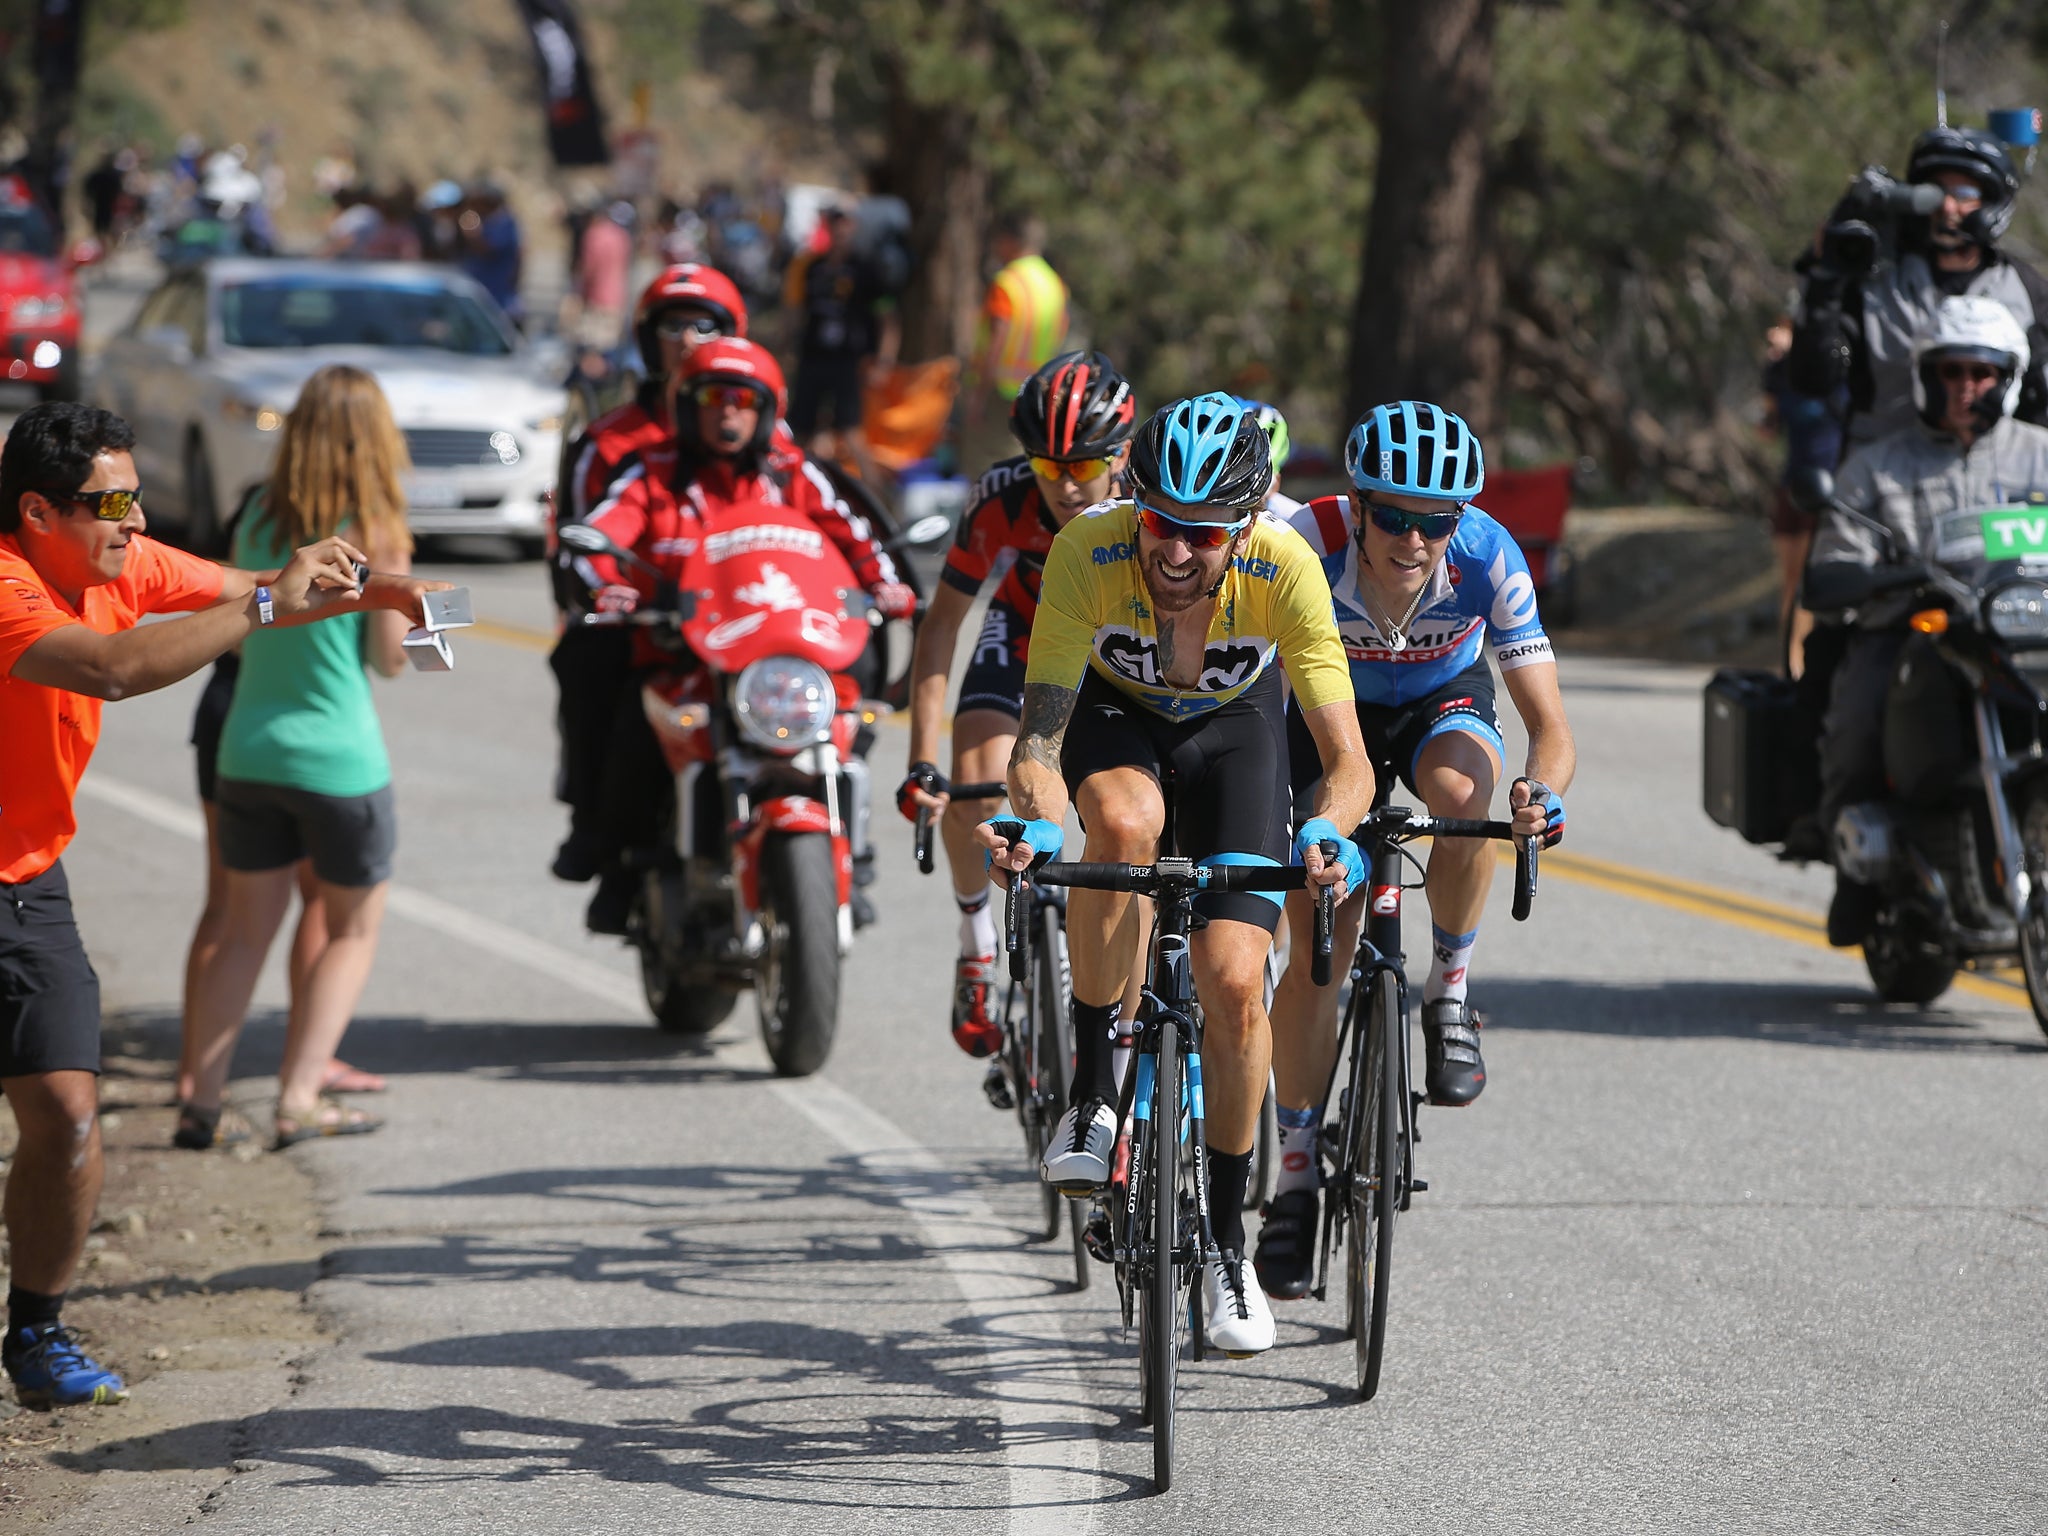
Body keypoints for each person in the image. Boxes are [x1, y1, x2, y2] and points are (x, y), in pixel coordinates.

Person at [0, 402, 439, 1408]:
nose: (135, 521)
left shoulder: (123, 564)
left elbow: (258, 589)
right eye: (110, 503)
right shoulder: (9, 588)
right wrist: (269, 606)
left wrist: (392, 592)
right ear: (36, 512)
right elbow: (114, 671)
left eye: (136, 497)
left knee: (68, 1116)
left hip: (28, 880)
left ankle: (35, 1333)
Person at [981, 393, 1372, 1357]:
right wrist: (1031, 819)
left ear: (1246, 522)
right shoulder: (1090, 551)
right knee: (1122, 822)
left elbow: (1348, 760)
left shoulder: (1287, 569)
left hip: (1237, 737)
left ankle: (1233, 1246)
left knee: (1238, 982)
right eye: (1160, 521)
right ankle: (1092, 1089)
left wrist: (1331, 830)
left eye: (1203, 534)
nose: (1175, 551)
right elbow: (1038, 742)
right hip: (1117, 724)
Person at [1250, 400, 1574, 1303]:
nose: (1413, 538)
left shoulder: (1488, 556)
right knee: (1326, 917)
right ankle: (1297, 1168)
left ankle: (1452, 990)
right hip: (1331, 712)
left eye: (1435, 521)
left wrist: (1540, 794)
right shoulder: (1299, 542)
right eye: (1392, 515)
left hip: (1440, 700)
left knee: (1473, 797)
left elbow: (1552, 728)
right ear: (1355, 506)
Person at [573, 337, 916, 934]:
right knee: (632, 730)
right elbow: (599, 536)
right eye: (712, 399)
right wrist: (606, 584)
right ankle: (624, 868)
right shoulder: (651, 475)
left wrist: (886, 585)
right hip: (683, 659)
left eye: (742, 400)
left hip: (787, 657)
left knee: (852, 720)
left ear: (765, 410)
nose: (727, 413)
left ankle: (852, 860)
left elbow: (860, 537)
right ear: (688, 406)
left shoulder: (793, 474)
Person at [179, 366, 426, 1150]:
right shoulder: (377, 528)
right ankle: (299, 1097)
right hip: (336, 759)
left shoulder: (255, 513)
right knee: (351, 929)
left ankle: (200, 1101)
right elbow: (392, 660)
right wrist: (430, 623)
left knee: (244, 929)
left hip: (248, 749)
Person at [897, 351, 1137, 1057]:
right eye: (1046, 466)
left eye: (1082, 468)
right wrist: (921, 765)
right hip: (1026, 636)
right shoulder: (1002, 497)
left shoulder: (1145, 504)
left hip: (1111, 652)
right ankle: (976, 944)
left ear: (1119, 456)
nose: (1063, 486)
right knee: (976, 777)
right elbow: (941, 626)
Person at [1806, 295, 2048, 945]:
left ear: (2011, 377)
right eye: (1951, 372)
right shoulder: (1877, 467)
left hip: (2030, 635)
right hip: (1918, 634)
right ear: (1924, 377)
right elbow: (1830, 569)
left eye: (1983, 373)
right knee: (1856, 716)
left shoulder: (2041, 454)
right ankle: (1855, 876)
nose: (1966, 387)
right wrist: (1884, 578)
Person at [548, 264, 753, 923]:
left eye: (707, 325)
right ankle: (606, 842)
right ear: (646, 338)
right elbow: (577, 544)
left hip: (749, 622)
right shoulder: (606, 441)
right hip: (645, 622)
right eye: (673, 325)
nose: (690, 339)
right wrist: (608, 596)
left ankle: (840, 837)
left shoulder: (764, 436)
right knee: (587, 658)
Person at [1791, 125, 2048, 451]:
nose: (1947, 209)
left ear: (1992, 202)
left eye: (1965, 196)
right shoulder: (1875, 283)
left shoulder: (2026, 289)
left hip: (1991, 485)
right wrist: (1824, 276)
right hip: (1884, 483)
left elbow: (2040, 406)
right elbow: (1811, 378)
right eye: (1935, 192)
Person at [784, 204, 899, 484]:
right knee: (800, 428)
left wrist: (884, 361)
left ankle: (876, 496)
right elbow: (797, 311)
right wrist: (789, 346)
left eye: (846, 223)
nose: (840, 229)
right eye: (835, 222)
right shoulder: (813, 267)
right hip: (813, 356)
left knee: (850, 429)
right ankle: (788, 485)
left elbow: (888, 320)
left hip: (848, 361)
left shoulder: (867, 270)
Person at [1762, 317, 1844, 677]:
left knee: (1810, 579)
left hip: (1827, 483)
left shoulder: (1833, 372)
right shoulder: (1779, 373)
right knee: (1790, 578)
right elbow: (1766, 427)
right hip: (1791, 483)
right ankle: (1788, 658)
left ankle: (1801, 658)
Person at [960, 215, 1068, 473]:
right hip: (1038, 389)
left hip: (1001, 390)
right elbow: (1058, 335)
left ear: (1011, 241)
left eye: (999, 241)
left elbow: (997, 340)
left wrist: (978, 395)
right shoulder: (1054, 283)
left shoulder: (1007, 282)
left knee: (986, 465)